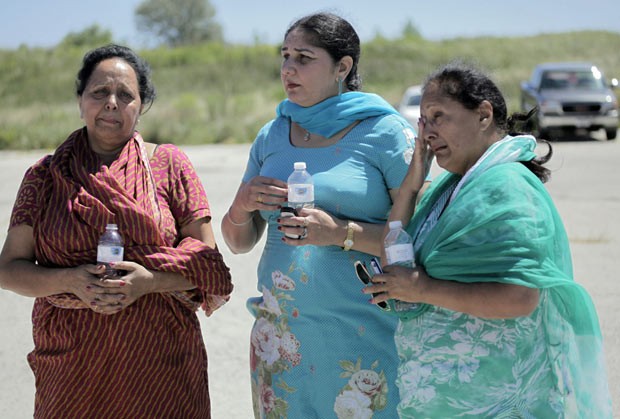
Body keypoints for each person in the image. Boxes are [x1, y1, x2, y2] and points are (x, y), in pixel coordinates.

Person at [364, 61, 612, 417]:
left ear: (483, 115)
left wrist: (423, 290)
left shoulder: (505, 185)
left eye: (439, 116)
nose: (427, 132)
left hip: (495, 402)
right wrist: (412, 183)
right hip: (451, 401)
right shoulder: (455, 184)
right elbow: (396, 246)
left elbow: (520, 297)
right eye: (423, 120)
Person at [0, 44, 233, 418]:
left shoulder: (169, 165)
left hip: (163, 365)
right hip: (71, 369)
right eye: (99, 93)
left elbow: (208, 265)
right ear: (80, 101)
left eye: (125, 95)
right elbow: (9, 269)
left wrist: (149, 282)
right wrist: (72, 281)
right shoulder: (44, 177)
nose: (111, 102)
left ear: (141, 107)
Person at [221, 12, 422, 418]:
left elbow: (421, 236)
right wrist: (242, 206)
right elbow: (239, 242)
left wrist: (341, 233)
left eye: (304, 58)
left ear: (342, 67)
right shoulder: (272, 134)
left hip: (364, 331)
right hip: (283, 338)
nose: (289, 69)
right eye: (285, 56)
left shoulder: (386, 132)